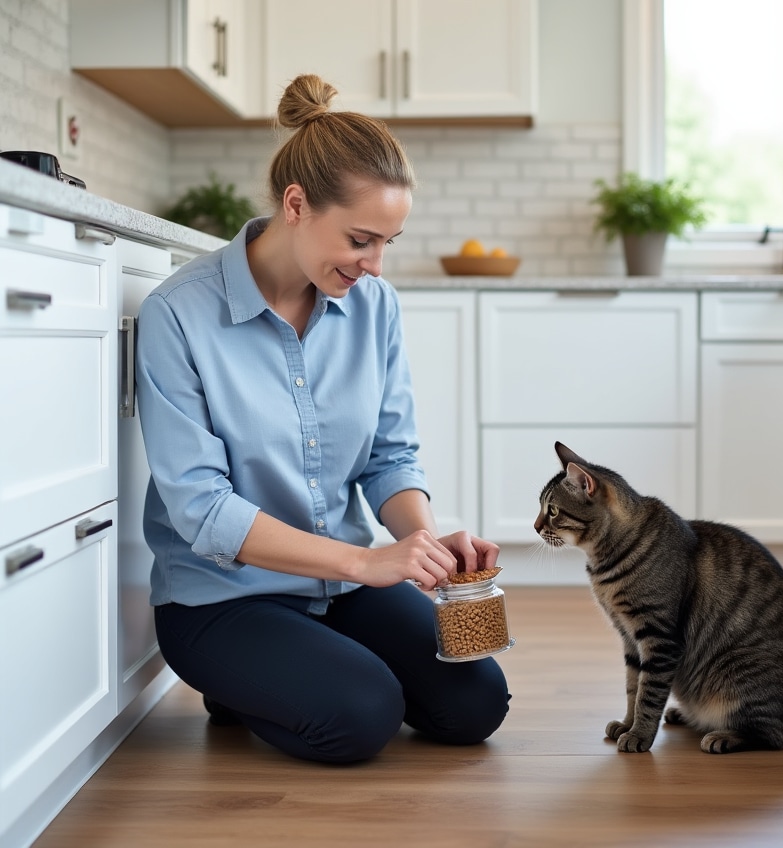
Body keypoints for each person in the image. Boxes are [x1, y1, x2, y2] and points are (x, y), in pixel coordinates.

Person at [134, 74, 509, 763]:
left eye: (388, 243)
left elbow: (388, 457)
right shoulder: (179, 315)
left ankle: (300, 671)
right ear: (297, 204)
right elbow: (202, 510)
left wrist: (425, 547)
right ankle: (241, 685)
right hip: (222, 600)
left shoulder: (376, 307)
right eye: (362, 239)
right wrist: (366, 560)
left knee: (475, 704)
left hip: (343, 585)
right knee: (362, 716)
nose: (374, 265)